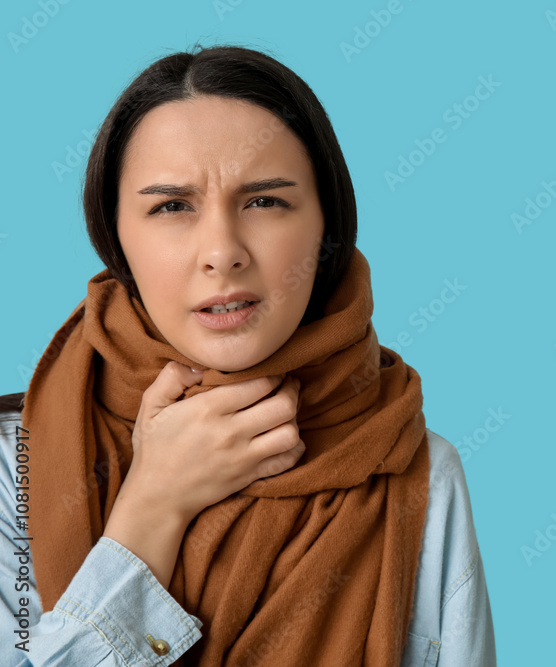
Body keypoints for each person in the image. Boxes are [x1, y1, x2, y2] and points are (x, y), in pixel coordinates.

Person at [0, 43, 495, 666]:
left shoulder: (413, 470)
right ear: (116, 237)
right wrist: (152, 509)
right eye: (171, 206)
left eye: (265, 200)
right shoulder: (13, 465)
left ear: (326, 228)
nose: (222, 251)